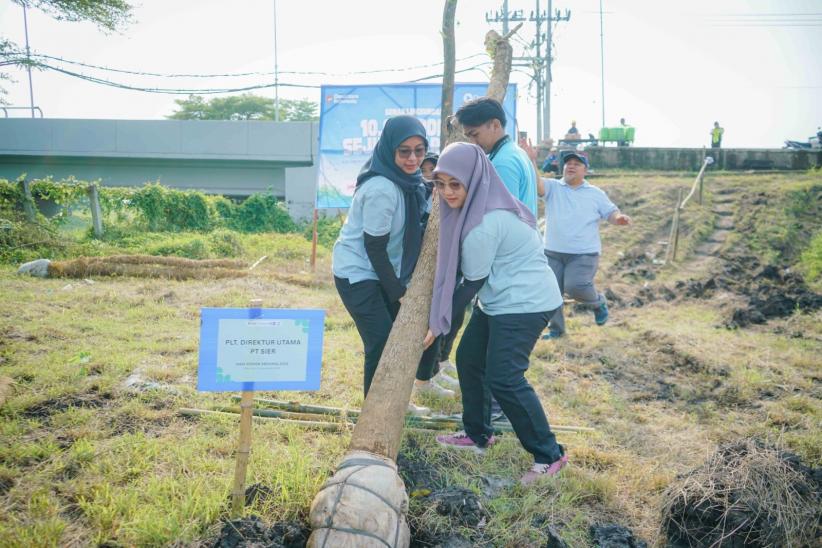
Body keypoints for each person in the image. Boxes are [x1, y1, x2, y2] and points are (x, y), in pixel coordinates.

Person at [424, 142, 569, 485]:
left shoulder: (484, 224)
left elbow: (469, 284)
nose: (446, 193)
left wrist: (437, 324)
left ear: (474, 180)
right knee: (471, 359)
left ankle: (549, 454)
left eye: (454, 184)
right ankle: (477, 434)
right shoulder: (480, 205)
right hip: (501, 298)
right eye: (440, 184)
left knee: (504, 378)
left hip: (525, 302)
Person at [331, 116, 454, 411]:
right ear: (389, 150)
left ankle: (395, 401)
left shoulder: (410, 183)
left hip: (385, 271)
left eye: (419, 150)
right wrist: (399, 291)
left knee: (400, 339)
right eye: (404, 152)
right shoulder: (381, 189)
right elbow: (374, 248)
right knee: (382, 342)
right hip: (357, 273)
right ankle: (376, 409)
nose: (413, 159)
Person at [541, 151, 632, 340]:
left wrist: (619, 219)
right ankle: (557, 330)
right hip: (552, 252)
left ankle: (598, 303)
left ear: (586, 170)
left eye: (577, 163)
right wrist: (530, 158)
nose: (571, 166)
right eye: (568, 163)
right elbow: (535, 182)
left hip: (583, 254)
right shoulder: (553, 187)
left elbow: (610, 213)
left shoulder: (595, 193)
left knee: (575, 286)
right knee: (551, 292)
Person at [455, 97, 538, 215]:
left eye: (475, 134)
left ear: (495, 125)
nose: (472, 142)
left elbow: (505, 219)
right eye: (469, 137)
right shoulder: (516, 152)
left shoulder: (503, 163)